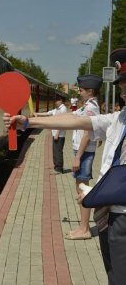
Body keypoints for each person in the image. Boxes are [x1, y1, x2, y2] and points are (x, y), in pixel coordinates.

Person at [2, 47, 126, 284]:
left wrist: (99, 192)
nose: (124, 94)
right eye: (122, 88)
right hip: (110, 216)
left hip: (124, 217)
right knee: (114, 275)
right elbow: (75, 119)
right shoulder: (119, 118)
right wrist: (28, 121)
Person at [66, 74, 102, 240]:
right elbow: (73, 118)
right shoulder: (89, 105)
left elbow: (87, 133)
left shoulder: (91, 107)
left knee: (83, 189)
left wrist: (77, 157)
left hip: (84, 152)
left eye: (81, 89)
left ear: (90, 91)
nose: (79, 91)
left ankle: (85, 229)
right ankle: (83, 226)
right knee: (81, 187)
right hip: (83, 150)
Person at [33, 96, 67, 174]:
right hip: (56, 134)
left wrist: (57, 134)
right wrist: (37, 114)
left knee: (58, 151)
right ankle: (58, 166)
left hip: (59, 135)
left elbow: (62, 121)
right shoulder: (57, 109)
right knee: (55, 151)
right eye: (54, 100)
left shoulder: (63, 109)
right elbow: (48, 113)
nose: (55, 102)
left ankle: (58, 169)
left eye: (56, 100)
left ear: (60, 100)